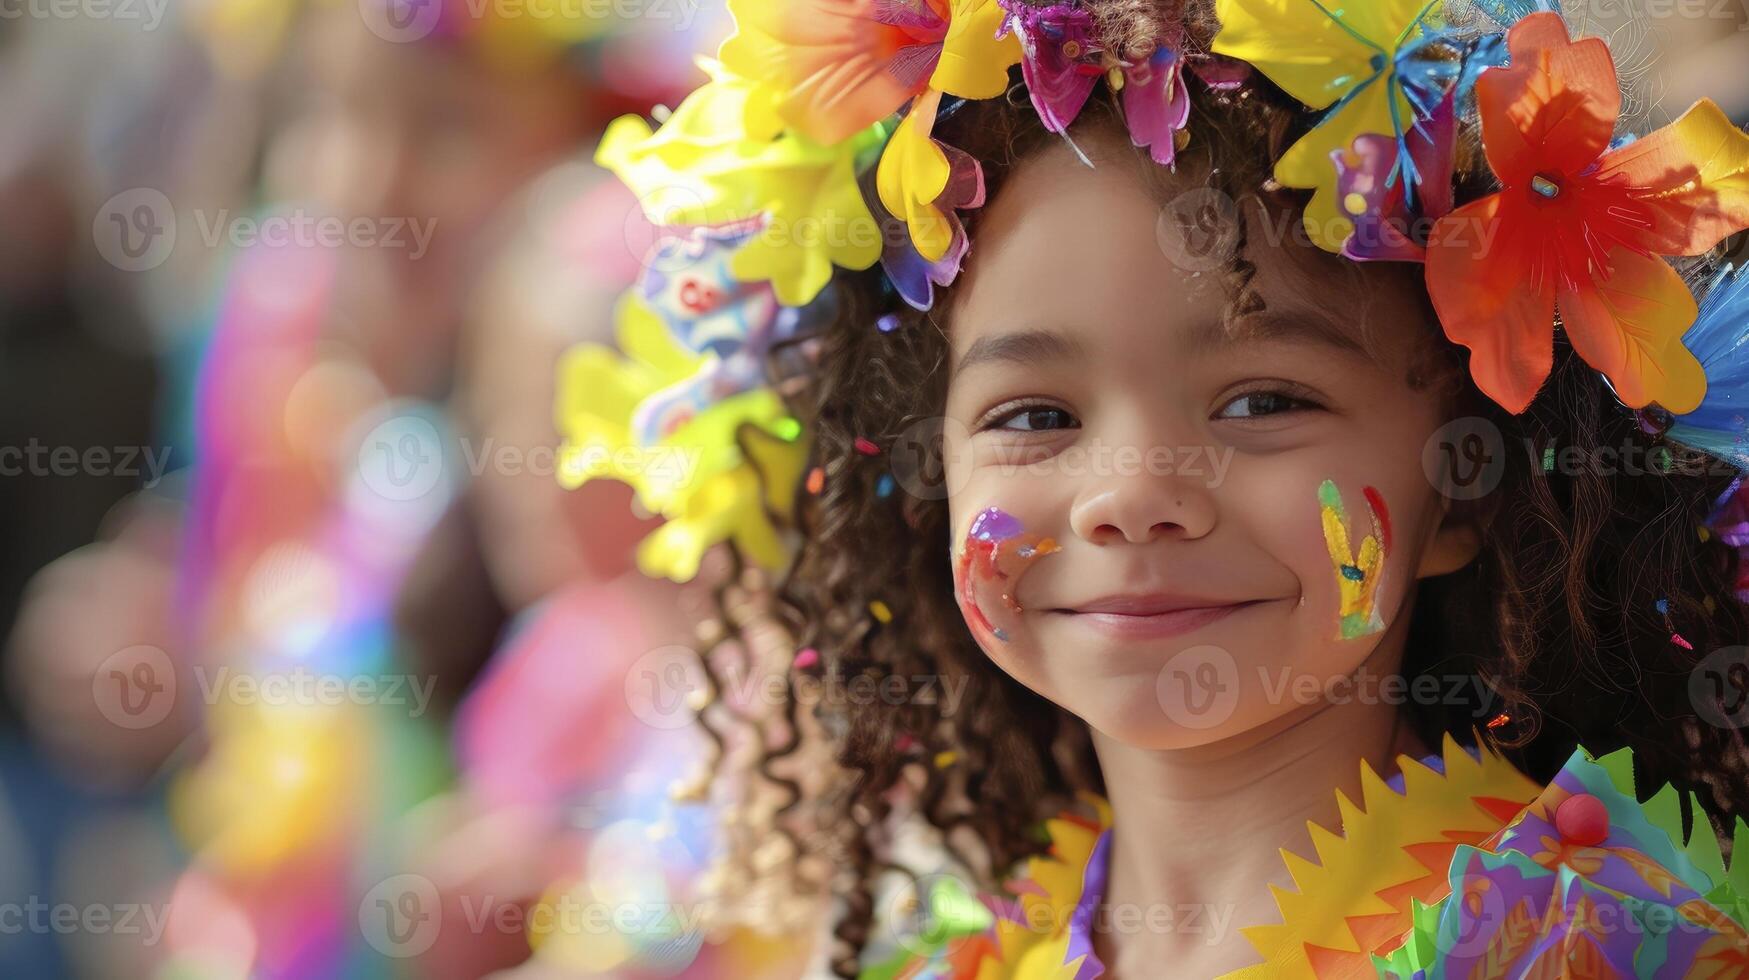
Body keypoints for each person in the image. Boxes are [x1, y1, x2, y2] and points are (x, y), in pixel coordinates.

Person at [567, 0, 1749, 976]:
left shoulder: (1588, 944)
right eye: (1034, 416)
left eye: (1262, 401)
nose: (1131, 494)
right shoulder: (955, 958)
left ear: (1464, 489)